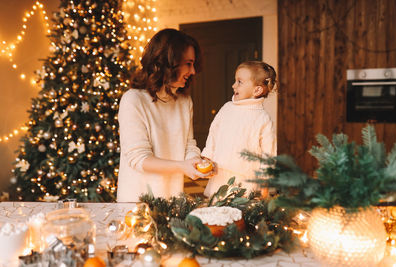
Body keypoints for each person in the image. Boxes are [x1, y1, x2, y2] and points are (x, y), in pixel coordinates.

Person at [117, 28, 210, 202]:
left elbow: (189, 145)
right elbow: (140, 159)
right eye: (188, 63)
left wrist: (195, 162)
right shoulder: (133, 100)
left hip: (171, 198)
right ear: (169, 62)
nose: (193, 71)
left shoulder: (184, 101)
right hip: (137, 201)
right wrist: (182, 167)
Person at [201, 61, 277, 197]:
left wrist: (265, 180)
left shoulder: (263, 118)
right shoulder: (227, 108)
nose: (233, 85)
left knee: (242, 213)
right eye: (235, 81)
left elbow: (268, 153)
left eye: (239, 82)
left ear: (257, 90)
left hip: (246, 179)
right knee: (218, 212)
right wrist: (208, 156)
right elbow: (214, 133)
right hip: (220, 172)